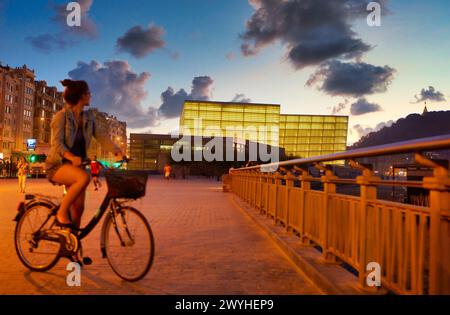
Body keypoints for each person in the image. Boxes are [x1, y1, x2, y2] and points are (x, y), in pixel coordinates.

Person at [45, 79, 123, 232]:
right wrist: (71, 157)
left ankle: (71, 243)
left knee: (79, 208)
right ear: (81, 96)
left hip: (76, 167)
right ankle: (61, 212)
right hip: (57, 165)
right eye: (88, 93)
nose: (90, 95)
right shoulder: (61, 117)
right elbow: (57, 144)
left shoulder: (88, 118)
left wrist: (117, 151)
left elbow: (102, 137)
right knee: (83, 178)